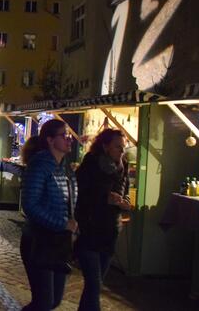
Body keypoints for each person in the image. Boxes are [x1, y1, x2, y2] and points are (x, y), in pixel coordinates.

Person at [20, 119, 78, 311]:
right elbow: (30, 205)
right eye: (64, 135)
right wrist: (62, 223)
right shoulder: (39, 166)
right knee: (44, 302)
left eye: (69, 135)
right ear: (51, 140)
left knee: (53, 301)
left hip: (59, 243)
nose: (69, 139)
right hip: (39, 241)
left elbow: (68, 202)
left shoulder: (65, 168)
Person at [75, 129, 131, 311]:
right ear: (105, 146)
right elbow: (79, 195)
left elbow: (126, 193)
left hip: (111, 232)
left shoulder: (124, 166)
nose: (121, 151)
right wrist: (104, 198)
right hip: (90, 230)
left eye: (123, 147)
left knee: (95, 284)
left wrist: (125, 202)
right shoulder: (91, 164)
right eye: (117, 147)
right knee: (94, 283)